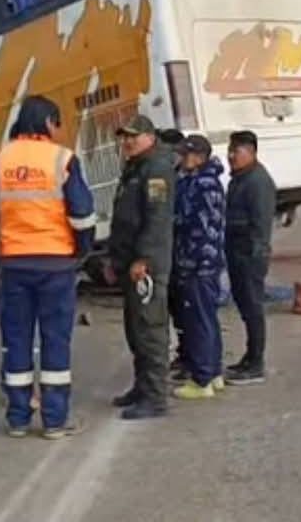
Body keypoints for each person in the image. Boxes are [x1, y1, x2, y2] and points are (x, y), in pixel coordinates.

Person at [0, 96, 96, 439]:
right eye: (57, 124)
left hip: (14, 265)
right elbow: (83, 214)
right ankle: (55, 421)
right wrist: (81, 251)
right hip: (56, 264)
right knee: (55, 340)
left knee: (17, 340)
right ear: (48, 123)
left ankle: (18, 418)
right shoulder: (62, 159)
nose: (58, 132)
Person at [108, 115, 176, 420]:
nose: (126, 142)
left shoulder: (156, 170)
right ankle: (142, 387)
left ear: (149, 136)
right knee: (135, 329)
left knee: (150, 330)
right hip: (130, 263)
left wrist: (143, 259)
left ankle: (155, 397)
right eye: (123, 137)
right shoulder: (135, 167)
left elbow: (157, 218)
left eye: (132, 136)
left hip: (146, 266)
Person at [170, 135, 226, 400]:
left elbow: (189, 222)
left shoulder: (199, 184)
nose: (181, 159)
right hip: (208, 261)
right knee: (208, 319)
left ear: (199, 157)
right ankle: (213, 373)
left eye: (186, 155)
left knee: (198, 321)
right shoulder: (209, 182)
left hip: (197, 263)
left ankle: (201, 378)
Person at [224, 130, 277, 386]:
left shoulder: (257, 181)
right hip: (236, 251)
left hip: (249, 254)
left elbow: (261, 223)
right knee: (245, 307)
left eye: (238, 151)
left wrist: (254, 256)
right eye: (231, 151)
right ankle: (249, 357)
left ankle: (256, 363)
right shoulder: (239, 179)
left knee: (253, 307)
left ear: (252, 152)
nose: (232, 156)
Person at [158, 128, 188, 375]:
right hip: (170, 253)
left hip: (182, 255)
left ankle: (190, 359)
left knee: (186, 310)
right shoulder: (168, 175)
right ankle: (183, 355)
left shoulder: (185, 179)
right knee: (175, 309)